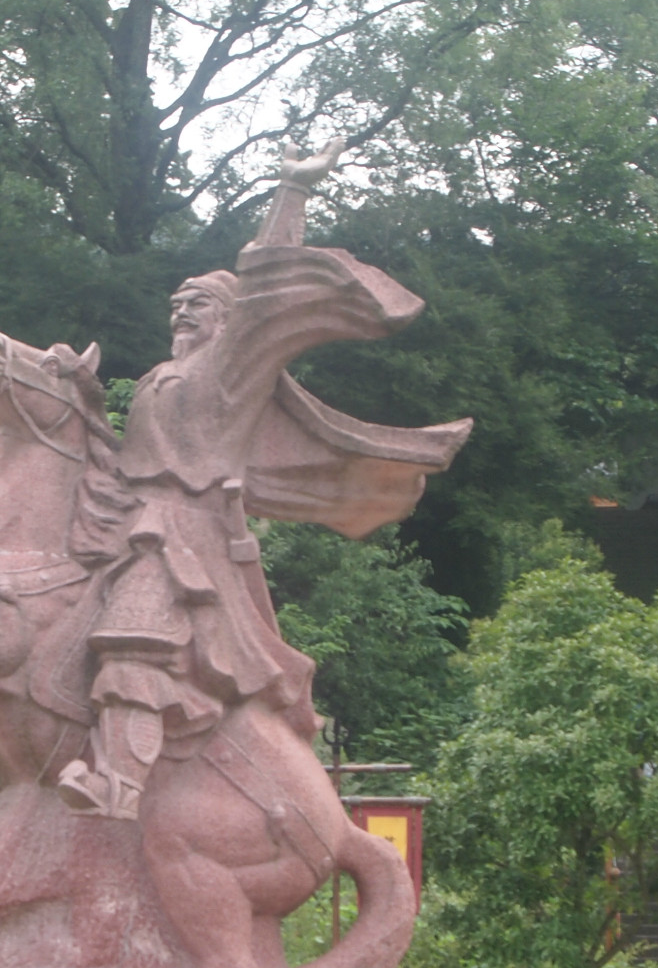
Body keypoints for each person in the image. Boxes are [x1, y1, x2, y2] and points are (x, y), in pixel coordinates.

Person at [43, 141, 466, 819]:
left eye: (200, 305)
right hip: (128, 520)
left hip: (180, 530)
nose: (182, 312)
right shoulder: (158, 376)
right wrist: (78, 396)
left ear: (228, 321)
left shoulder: (228, 369)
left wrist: (291, 193)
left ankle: (118, 784)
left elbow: (264, 288)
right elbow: (124, 454)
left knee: (136, 639)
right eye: (177, 304)